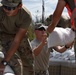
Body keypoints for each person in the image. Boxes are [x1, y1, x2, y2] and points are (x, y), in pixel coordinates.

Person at [0, 0, 34, 75]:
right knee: (15, 63)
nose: (5, 10)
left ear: (19, 6)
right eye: (4, 6)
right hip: (5, 35)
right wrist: (5, 61)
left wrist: (4, 62)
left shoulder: (26, 15)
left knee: (28, 61)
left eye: (9, 8)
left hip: (19, 35)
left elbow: (16, 41)